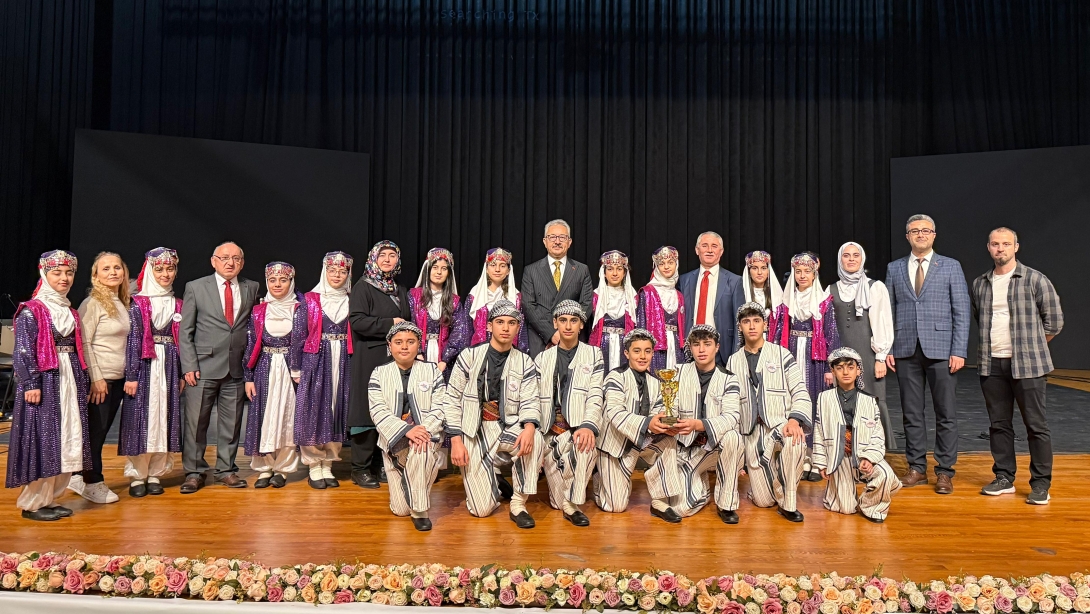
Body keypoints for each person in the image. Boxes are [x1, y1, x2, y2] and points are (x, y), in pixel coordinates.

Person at [971, 227, 1063, 505]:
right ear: (989, 247)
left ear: (1016, 247)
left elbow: (1055, 321)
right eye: (995, 244)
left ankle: (1040, 484)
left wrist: (1031, 347)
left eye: (1006, 244)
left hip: (1028, 366)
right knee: (999, 424)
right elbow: (980, 319)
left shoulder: (1035, 279)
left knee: (1036, 425)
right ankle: (1004, 478)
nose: (1001, 249)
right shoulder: (980, 284)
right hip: (992, 364)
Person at [885, 214, 970, 494]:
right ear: (907, 236)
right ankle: (917, 468)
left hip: (942, 351)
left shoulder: (950, 266)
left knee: (945, 413)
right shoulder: (894, 268)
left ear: (934, 235)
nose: (920, 234)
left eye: (925, 230)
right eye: (914, 231)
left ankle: (944, 471)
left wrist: (958, 349)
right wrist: (888, 348)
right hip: (906, 350)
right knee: (911, 413)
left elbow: (961, 311)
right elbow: (890, 312)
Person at [6, 250, 91, 521]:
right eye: (58, 273)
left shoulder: (69, 311)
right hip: (46, 381)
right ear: (45, 274)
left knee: (66, 437)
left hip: (69, 380)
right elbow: (23, 351)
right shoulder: (32, 311)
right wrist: (31, 382)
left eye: (69, 273)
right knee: (44, 440)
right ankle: (32, 502)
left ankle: (50, 498)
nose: (64, 278)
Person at [446, 300, 544, 529]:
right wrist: (456, 440)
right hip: (475, 430)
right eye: (500, 322)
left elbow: (531, 400)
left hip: (507, 427)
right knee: (481, 511)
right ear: (489, 326)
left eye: (512, 323)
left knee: (536, 438)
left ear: (518, 328)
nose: (506, 328)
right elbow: (451, 400)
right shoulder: (469, 356)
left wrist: (529, 428)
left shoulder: (524, 361)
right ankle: (494, 479)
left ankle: (519, 503)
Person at [178, 241, 259, 493]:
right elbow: (186, 331)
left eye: (236, 258)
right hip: (202, 367)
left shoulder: (252, 287)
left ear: (242, 263)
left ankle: (226, 470)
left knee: (231, 424)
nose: (230, 262)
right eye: (224, 258)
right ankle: (194, 472)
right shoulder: (195, 287)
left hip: (235, 368)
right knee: (196, 424)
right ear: (213, 261)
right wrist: (189, 365)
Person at [728, 303, 812, 523]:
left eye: (757, 321)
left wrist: (794, 420)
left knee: (795, 441)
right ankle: (773, 487)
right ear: (740, 327)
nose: (752, 326)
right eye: (746, 322)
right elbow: (730, 405)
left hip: (780, 424)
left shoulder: (781, 354)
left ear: (765, 324)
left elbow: (800, 391)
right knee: (763, 501)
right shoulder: (733, 361)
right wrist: (737, 457)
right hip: (751, 432)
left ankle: (789, 503)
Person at [595, 328, 684, 523]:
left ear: (653, 353)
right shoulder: (615, 377)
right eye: (637, 351)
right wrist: (649, 423)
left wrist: (671, 423)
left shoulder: (657, 381)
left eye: (647, 351)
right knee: (616, 507)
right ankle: (599, 478)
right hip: (616, 446)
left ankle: (660, 501)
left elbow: (664, 410)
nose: (643, 356)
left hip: (642, 441)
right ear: (626, 353)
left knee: (668, 441)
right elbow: (615, 413)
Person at [120, 248, 185, 498]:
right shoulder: (138, 304)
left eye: (170, 269)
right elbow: (133, 340)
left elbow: (180, 342)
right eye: (159, 269)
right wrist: (132, 375)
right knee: (141, 419)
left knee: (163, 417)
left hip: (168, 365)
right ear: (149, 270)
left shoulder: (178, 304)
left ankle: (156, 472)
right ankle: (138, 475)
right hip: (145, 366)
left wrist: (179, 373)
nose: (165, 274)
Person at [369, 322, 447, 531]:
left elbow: (441, 406)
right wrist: (406, 430)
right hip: (394, 442)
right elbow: (377, 410)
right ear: (390, 346)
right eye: (398, 342)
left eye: (410, 342)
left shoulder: (432, 371)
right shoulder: (379, 373)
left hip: (425, 436)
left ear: (418, 345)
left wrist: (423, 430)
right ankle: (407, 481)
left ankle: (420, 510)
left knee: (422, 450)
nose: (404, 347)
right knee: (400, 509)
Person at [770, 252, 840, 481]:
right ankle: (791, 453)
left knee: (813, 400)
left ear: (814, 273)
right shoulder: (785, 301)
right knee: (790, 399)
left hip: (814, 358)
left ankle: (813, 456)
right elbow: (778, 332)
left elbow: (831, 333)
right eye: (798, 271)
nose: (802, 276)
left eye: (807, 272)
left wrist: (831, 367)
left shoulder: (823, 301)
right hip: (790, 352)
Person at [533, 300, 604, 527]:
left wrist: (588, 425)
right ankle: (566, 492)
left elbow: (595, 396)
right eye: (563, 320)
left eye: (574, 320)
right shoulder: (542, 359)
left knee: (585, 445)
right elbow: (533, 399)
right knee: (556, 501)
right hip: (551, 433)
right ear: (555, 323)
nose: (568, 326)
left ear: (581, 324)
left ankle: (573, 507)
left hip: (577, 430)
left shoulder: (594, 355)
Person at [347, 241, 411, 489]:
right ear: (373, 259)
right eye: (382, 255)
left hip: (393, 359)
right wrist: (390, 323)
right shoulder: (363, 286)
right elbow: (358, 321)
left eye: (392, 255)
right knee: (366, 412)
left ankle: (381, 463)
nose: (387, 259)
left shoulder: (399, 289)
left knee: (389, 410)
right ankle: (360, 468)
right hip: (370, 358)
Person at [69, 252, 131, 504]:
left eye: (117, 267)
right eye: (106, 269)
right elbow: (84, 343)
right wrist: (96, 378)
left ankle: (78, 476)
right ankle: (92, 481)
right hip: (100, 380)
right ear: (95, 275)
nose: (113, 272)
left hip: (116, 379)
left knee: (100, 431)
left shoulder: (121, 302)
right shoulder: (92, 303)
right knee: (95, 432)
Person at [812, 347, 901, 523]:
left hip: (863, 455)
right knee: (846, 509)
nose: (845, 372)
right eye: (840, 368)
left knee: (886, 475)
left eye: (850, 367)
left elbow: (877, 434)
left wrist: (870, 458)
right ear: (833, 371)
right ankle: (836, 492)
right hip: (840, 457)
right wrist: (821, 462)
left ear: (858, 370)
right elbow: (819, 432)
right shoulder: (824, 398)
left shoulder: (869, 401)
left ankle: (870, 505)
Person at [671, 325, 744, 524]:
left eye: (707, 344)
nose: (701, 350)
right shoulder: (677, 372)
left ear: (717, 347)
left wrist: (698, 424)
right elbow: (669, 406)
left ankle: (726, 504)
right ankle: (699, 485)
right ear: (690, 348)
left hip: (714, 449)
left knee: (733, 437)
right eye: (696, 345)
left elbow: (731, 417)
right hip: (684, 447)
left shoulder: (729, 379)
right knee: (682, 509)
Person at [243, 262, 305, 489]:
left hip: (291, 370)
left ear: (291, 282)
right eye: (272, 280)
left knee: (287, 417)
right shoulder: (259, 310)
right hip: (264, 368)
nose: (278, 284)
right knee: (264, 416)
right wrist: (248, 376)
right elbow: (251, 344)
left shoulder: (300, 309)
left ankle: (283, 468)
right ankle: (264, 467)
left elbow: (304, 342)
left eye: (283, 280)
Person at [296, 252, 354, 489]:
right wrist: (296, 367)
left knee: (336, 408)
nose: (337, 275)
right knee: (314, 409)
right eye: (332, 271)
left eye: (342, 271)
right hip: (316, 359)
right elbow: (298, 335)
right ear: (325, 271)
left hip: (343, 359)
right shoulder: (310, 299)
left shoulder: (353, 298)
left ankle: (328, 463)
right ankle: (313, 464)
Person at [829, 242, 895, 450]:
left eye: (855, 255)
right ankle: (848, 451)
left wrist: (880, 358)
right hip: (840, 358)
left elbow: (882, 322)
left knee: (871, 398)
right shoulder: (831, 289)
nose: (851, 259)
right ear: (840, 259)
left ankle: (873, 453)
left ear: (862, 259)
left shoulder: (874, 287)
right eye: (846, 255)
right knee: (844, 401)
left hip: (866, 354)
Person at [520, 219, 594, 356]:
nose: (557, 241)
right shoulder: (531, 271)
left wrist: (567, 331)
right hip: (540, 338)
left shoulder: (581, 270)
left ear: (569, 242)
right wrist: (550, 333)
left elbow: (586, 304)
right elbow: (528, 306)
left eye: (562, 237)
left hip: (572, 338)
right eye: (552, 237)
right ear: (544, 241)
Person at [679, 232, 746, 363]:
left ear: (721, 251)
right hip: (690, 349)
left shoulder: (734, 281)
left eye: (714, 246)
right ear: (697, 250)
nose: (709, 250)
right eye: (705, 246)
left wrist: (736, 356)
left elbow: (739, 322)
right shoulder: (684, 280)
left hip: (721, 352)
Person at [408, 247, 471, 381]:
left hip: (443, 355)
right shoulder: (414, 296)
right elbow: (410, 324)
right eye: (435, 267)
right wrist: (417, 352)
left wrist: (445, 359)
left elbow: (459, 332)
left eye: (444, 268)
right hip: (417, 354)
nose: (439, 272)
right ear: (428, 269)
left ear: (449, 273)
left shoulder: (454, 301)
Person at [465, 248, 530, 353]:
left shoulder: (516, 298)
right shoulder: (474, 296)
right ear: (486, 268)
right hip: (478, 352)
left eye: (502, 266)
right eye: (493, 265)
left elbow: (521, 332)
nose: (497, 269)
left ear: (508, 270)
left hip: (508, 353)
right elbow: (466, 331)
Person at [636, 246, 686, 373]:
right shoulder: (647, 292)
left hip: (676, 347)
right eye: (662, 263)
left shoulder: (679, 295)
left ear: (676, 264)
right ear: (656, 266)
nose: (666, 267)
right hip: (656, 348)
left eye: (670, 262)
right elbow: (641, 326)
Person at [587, 250, 637, 372]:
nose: (615, 273)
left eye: (619, 269)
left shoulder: (633, 297)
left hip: (624, 346)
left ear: (625, 272)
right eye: (610, 269)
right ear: (603, 273)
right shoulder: (595, 297)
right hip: (601, 345)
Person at [741, 251, 783, 323]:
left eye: (763, 268)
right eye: (755, 268)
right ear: (748, 272)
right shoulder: (741, 294)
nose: (759, 272)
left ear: (768, 271)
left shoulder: (777, 295)